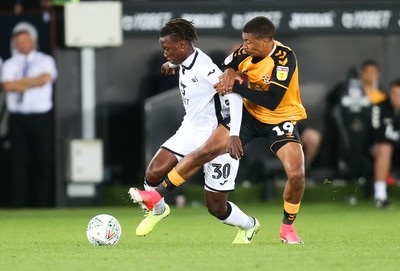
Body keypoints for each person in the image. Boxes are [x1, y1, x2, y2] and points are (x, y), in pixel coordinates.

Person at [130, 16, 307, 244]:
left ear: (265, 41)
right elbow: (226, 67)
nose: (245, 46)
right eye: (243, 40)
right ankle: (156, 199)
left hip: (280, 117)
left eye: (249, 42)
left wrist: (236, 86)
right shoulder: (242, 53)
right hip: (247, 116)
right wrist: (230, 73)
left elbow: (272, 100)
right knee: (200, 153)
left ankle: (286, 229)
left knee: (296, 173)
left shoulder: (285, 58)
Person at [0, 22, 57, 207]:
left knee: (43, 160)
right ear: (14, 43)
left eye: (25, 40)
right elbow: (7, 86)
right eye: (19, 41)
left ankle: (42, 203)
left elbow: (45, 78)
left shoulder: (45, 60)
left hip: (40, 118)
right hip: (18, 119)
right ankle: (18, 203)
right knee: (18, 162)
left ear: (32, 41)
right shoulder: (9, 63)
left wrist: (21, 82)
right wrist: (32, 81)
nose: (22, 44)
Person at [370, 78, 400, 208]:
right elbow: (378, 135)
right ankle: (380, 196)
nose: (398, 98)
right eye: (395, 94)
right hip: (376, 147)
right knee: (385, 148)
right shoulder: (379, 107)